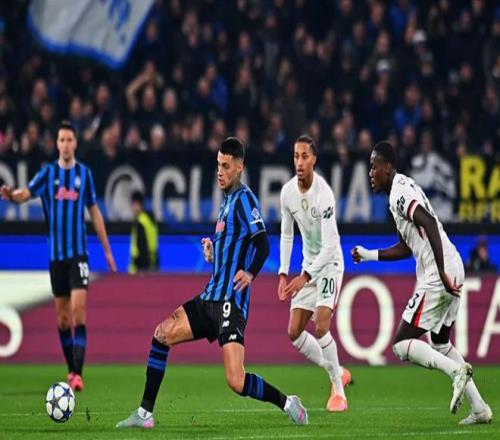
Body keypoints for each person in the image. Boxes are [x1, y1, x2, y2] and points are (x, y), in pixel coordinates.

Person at [116, 137, 308, 429]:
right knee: (161, 334)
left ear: (239, 167)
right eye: (218, 165)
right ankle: (144, 414)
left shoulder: (244, 199)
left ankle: (287, 402)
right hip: (209, 299)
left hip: (231, 302)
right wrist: (212, 252)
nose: (220, 171)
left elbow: (262, 242)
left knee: (236, 380)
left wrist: (250, 273)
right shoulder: (226, 203)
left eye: (226, 166)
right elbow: (230, 248)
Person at [351, 141, 492, 425]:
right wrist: (368, 255)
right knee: (440, 342)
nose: (370, 173)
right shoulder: (400, 191)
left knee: (401, 344)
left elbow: (427, 221)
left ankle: (456, 372)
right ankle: (480, 409)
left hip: (441, 273)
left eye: (374, 166)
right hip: (452, 265)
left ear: (387, 168)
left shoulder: (399, 193)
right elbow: (406, 247)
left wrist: (440, 272)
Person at [0, 120, 116, 391]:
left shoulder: (84, 175)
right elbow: (26, 194)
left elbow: (95, 212)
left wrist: (107, 251)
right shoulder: (48, 174)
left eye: (69, 140)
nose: (65, 144)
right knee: (63, 319)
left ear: (75, 143)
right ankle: (71, 369)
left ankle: (77, 373)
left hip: (78, 255)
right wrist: (12, 195)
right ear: (57, 144)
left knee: (78, 312)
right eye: (61, 140)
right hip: (56, 257)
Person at [278, 135, 351, 413]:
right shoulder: (287, 193)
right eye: (296, 156)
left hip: (329, 264)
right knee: (294, 332)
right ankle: (338, 370)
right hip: (308, 266)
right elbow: (287, 234)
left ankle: (338, 392)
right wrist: (283, 273)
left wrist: (304, 277)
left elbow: (331, 245)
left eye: (304, 156)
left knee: (321, 327)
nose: (299, 162)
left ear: (314, 160)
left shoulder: (324, 195)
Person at [128, 191, 159, 274]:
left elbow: (142, 246)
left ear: (138, 204)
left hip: (140, 268)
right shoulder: (150, 220)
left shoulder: (140, 222)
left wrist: (143, 267)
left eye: (133, 204)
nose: (132, 207)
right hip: (153, 264)